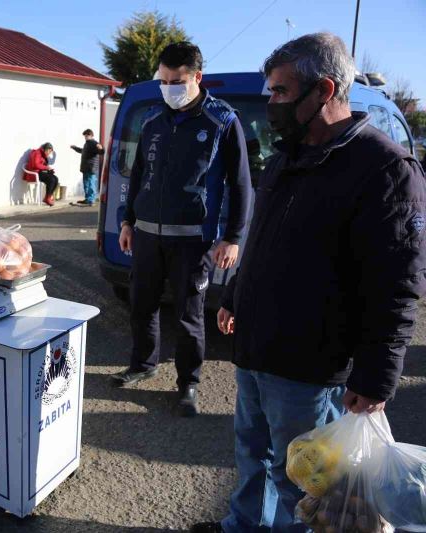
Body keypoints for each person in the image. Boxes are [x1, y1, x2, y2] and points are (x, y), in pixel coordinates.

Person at [191, 33, 426, 533]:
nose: (270, 103)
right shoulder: (287, 157)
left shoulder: (383, 169)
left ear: (323, 90)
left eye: (280, 92)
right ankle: (242, 525)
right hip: (255, 347)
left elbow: (398, 283)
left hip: (309, 363)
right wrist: (234, 294)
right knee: (251, 453)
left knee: (300, 477)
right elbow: (260, 242)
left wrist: (377, 376)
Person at [113, 42, 251, 417]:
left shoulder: (222, 121)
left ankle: (188, 382)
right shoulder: (154, 121)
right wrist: (127, 220)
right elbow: (139, 173)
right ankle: (143, 364)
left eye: (177, 81)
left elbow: (240, 184)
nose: (169, 87)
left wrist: (233, 237)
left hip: (193, 241)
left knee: (189, 317)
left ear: (197, 78)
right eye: (164, 80)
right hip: (146, 234)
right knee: (142, 305)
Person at [70, 129, 105, 206]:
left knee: (91, 183)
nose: (86, 137)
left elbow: (101, 152)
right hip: (85, 168)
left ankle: (91, 200)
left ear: (91, 135)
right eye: (85, 136)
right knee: (86, 184)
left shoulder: (93, 143)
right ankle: (88, 199)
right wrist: (75, 148)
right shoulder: (87, 144)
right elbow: (82, 151)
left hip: (91, 167)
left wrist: (101, 149)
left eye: (87, 135)